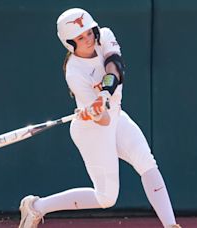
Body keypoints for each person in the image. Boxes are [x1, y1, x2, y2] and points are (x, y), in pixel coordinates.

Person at [18, 8, 181, 228]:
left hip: (116, 116)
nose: (88, 39)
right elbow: (102, 121)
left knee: (147, 162)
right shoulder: (75, 73)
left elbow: (115, 65)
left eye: (88, 32)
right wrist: (96, 112)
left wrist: (104, 94)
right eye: (80, 37)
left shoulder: (105, 36)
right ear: (70, 42)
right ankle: (36, 207)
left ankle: (171, 225)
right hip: (92, 130)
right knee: (106, 198)